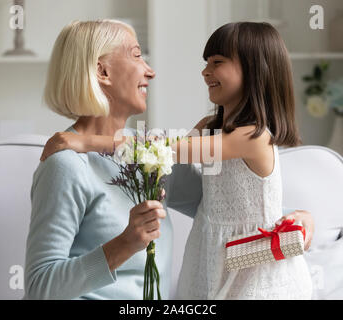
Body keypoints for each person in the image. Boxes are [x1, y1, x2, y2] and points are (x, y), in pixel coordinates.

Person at [34, 20, 315, 299]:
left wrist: (298, 221)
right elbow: (40, 288)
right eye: (136, 55)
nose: (151, 71)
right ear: (102, 71)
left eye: (217, 62)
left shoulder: (152, 157)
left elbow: (225, 205)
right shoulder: (67, 164)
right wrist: (124, 245)